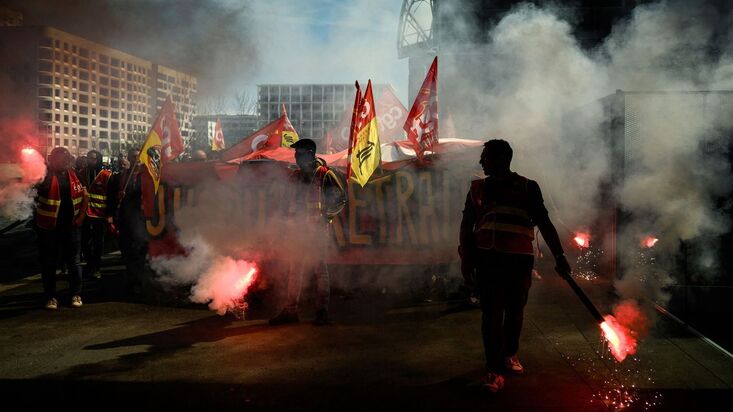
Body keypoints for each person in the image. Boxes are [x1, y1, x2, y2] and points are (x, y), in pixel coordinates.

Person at [459, 139, 572, 392]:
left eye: (486, 157)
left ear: (502, 159)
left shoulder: (528, 188)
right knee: (490, 314)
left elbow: (544, 222)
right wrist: (466, 257)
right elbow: (466, 226)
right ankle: (493, 370)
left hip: (518, 261)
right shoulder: (477, 189)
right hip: (487, 259)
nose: (481, 162)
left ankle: (510, 354)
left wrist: (560, 256)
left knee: (514, 311)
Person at [269, 139, 346, 326]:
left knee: (320, 270)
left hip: (317, 231)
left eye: (300, 154)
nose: (296, 157)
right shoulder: (294, 176)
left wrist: (325, 217)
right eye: (296, 154)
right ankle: (290, 312)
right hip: (297, 231)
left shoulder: (324, 174)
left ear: (310, 154)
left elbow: (340, 198)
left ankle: (321, 312)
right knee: (294, 270)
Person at [35, 147, 88, 309]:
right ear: (54, 160)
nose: (65, 162)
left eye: (67, 159)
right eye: (62, 159)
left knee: (74, 262)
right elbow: (33, 198)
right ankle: (51, 297)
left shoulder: (76, 175)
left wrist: (80, 218)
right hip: (49, 227)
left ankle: (76, 294)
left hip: (71, 227)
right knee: (49, 264)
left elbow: (85, 197)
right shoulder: (44, 176)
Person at [108, 148, 146, 297]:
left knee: (140, 252)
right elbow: (110, 198)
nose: (136, 159)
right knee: (127, 252)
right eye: (133, 157)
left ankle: (138, 282)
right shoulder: (119, 178)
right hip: (124, 220)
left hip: (142, 221)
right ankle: (132, 280)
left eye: (139, 157)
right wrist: (109, 216)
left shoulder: (148, 178)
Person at [81, 150, 114, 279]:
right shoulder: (82, 173)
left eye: (93, 159)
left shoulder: (107, 175)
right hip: (85, 214)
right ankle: (89, 264)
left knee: (98, 243)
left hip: (100, 214)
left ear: (99, 160)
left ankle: (96, 268)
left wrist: (110, 214)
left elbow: (111, 197)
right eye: (89, 158)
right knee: (84, 242)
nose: (90, 161)